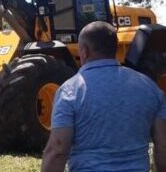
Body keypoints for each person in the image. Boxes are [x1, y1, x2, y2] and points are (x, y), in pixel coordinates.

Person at [41, 21, 166, 172]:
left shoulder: (70, 91)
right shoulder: (150, 88)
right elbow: (162, 146)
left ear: (84, 52)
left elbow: (58, 149)